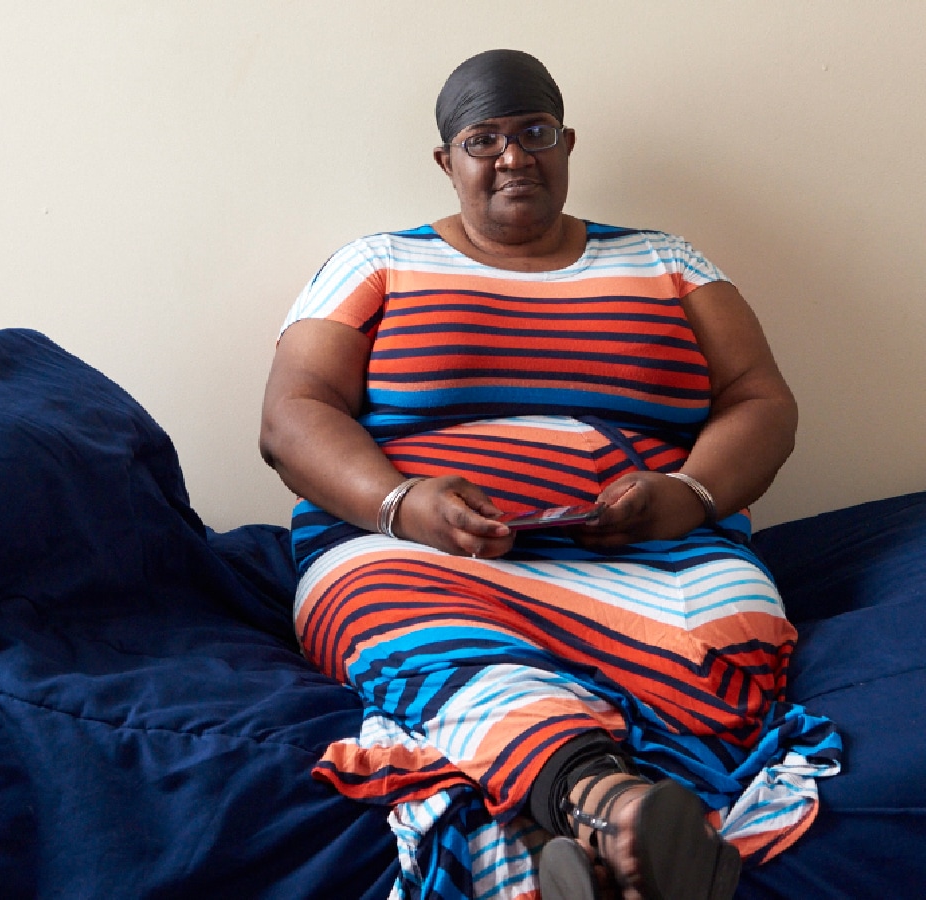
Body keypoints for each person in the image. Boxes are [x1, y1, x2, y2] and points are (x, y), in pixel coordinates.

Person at [259, 50, 840, 900]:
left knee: (729, 638)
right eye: (481, 139)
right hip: (424, 559)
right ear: (445, 161)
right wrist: (402, 503)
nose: (511, 158)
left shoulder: (666, 261)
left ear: (567, 142)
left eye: (533, 132)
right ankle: (612, 807)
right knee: (406, 628)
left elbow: (761, 399)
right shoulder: (376, 260)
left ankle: (549, 845)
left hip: (653, 553)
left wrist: (689, 497)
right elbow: (293, 413)